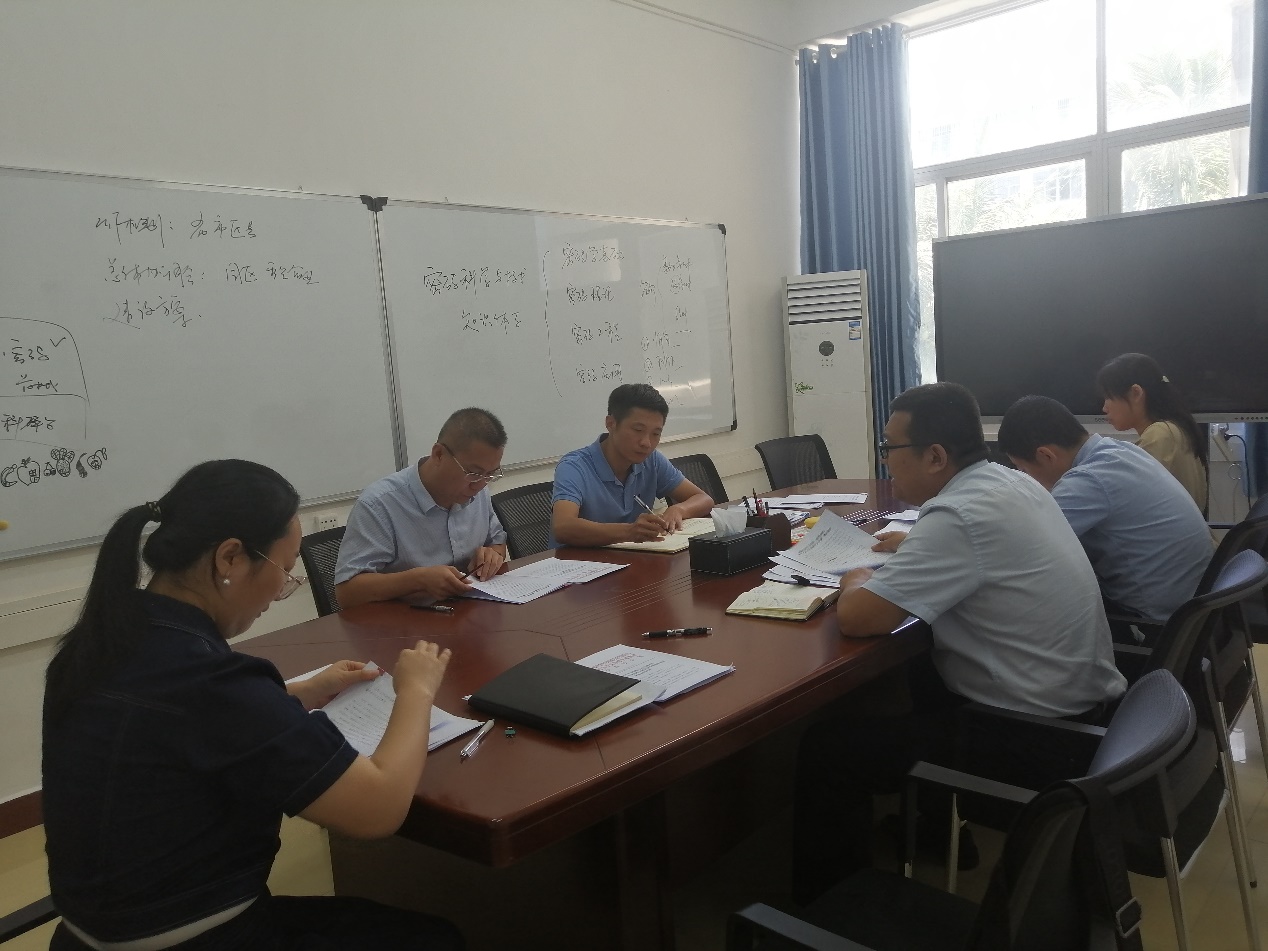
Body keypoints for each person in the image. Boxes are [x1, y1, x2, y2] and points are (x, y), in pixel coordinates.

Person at [42, 459, 462, 951]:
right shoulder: (216, 684)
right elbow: (378, 809)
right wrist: (416, 691)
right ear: (230, 558)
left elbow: (171, 724)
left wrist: (295, 694)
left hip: (83, 938)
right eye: (284, 570)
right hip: (198, 940)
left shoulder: (99, 645)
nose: (280, 591)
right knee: (436, 939)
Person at [792, 383, 1125, 903]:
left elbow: (859, 618)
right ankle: (939, 830)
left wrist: (856, 575)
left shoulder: (958, 516)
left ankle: (830, 909)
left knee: (827, 748)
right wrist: (916, 547)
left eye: (889, 448)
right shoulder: (1009, 482)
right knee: (924, 667)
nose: (884, 461)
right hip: (1079, 711)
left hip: (1033, 738)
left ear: (935, 456)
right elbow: (974, 546)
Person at [997, 394, 1212, 623]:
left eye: (1024, 470)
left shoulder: (1087, 481)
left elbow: (1021, 551)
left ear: (1046, 455)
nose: (1028, 479)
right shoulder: (1120, 450)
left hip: (1154, 622)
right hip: (1197, 605)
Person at [336, 408, 508, 609]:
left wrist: (492, 556)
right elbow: (346, 592)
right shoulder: (379, 504)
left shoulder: (478, 490)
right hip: (405, 621)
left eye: (490, 475)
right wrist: (418, 580)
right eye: (474, 473)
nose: (480, 485)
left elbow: (497, 543)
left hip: (467, 612)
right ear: (438, 454)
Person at [551, 383, 713, 547]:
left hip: (632, 556)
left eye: (655, 434)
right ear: (611, 423)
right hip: (579, 560)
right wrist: (629, 532)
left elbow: (704, 499)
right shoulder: (574, 467)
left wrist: (678, 510)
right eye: (638, 430)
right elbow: (563, 527)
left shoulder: (652, 460)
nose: (646, 443)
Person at [1097, 352, 1208, 510]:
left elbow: (1128, 501)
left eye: (1108, 397)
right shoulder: (1177, 428)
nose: (1104, 408)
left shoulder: (1160, 434)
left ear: (1136, 393)